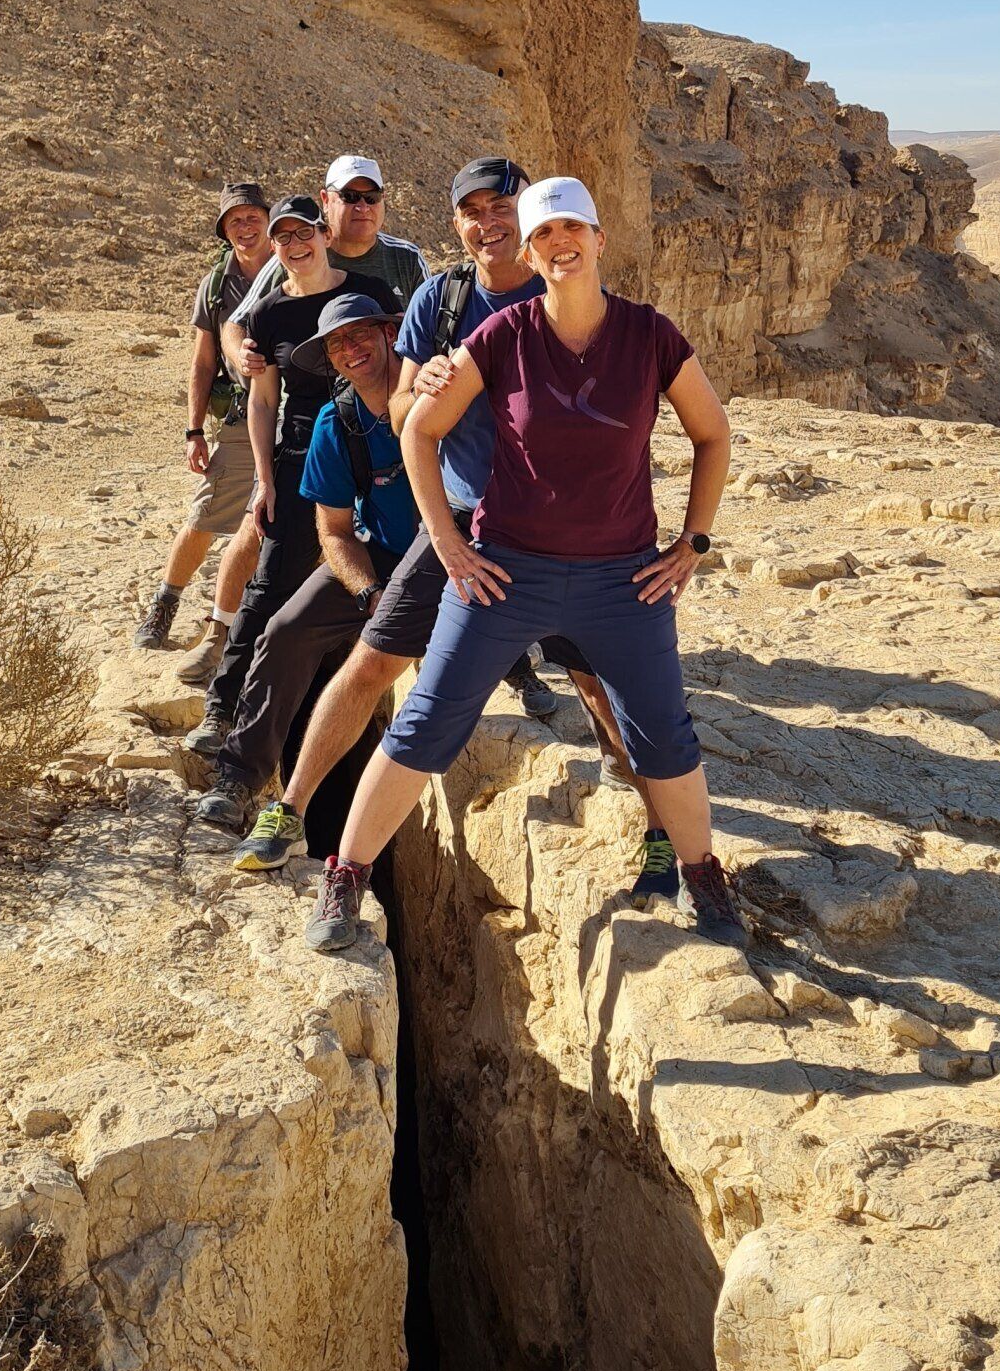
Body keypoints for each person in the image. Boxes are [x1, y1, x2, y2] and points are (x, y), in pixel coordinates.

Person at [303, 175, 742, 952]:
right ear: (532, 256)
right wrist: (447, 541)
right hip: (505, 572)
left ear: (599, 239)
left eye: (572, 229)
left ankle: (701, 874)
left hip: (620, 581)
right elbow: (418, 430)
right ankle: (347, 878)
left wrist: (692, 543)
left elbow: (713, 434)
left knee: (662, 736)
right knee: (427, 721)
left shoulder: (650, 335)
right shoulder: (503, 335)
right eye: (543, 236)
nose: (558, 244)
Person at [234, 157, 659, 883]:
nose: (488, 224)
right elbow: (403, 413)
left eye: (502, 209)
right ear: (457, 222)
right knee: (372, 660)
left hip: (561, 526)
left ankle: (656, 826)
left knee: (603, 683)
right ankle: (291, 807)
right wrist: (423, 385)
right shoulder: (442, 299)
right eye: (472, 211)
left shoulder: (567, 290)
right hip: (466, 521)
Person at [191, 292, 419, 842]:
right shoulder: (336, 423)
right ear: (329, 360)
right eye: (337, 344)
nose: (351, 349)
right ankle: (239, 779)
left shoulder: (434, 395)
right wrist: (369, 593)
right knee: (286, 629)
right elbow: (334, 532)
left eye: (360, 333)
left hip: (448, 553)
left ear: (390, 334)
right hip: (381, 554)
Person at [184, 198, 394, 757]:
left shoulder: (371, 293)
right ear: (273, 246)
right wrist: (265, 479)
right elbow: (262, 401)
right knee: (271, 583)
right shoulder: (269, 312)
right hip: (304, 453)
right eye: (284, 238)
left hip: (378, 445)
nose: (296, 245)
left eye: (305, 233)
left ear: (325, 234)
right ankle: (222, 709)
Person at [133, 183, 273, 662]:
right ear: (225, 231)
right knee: (206, 514)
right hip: (241, 415)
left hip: (294, 414)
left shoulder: (293, 263)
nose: (245, 227)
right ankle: (165, 604)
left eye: (253, 217)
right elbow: (203, 361)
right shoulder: (216, 284)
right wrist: (194, 430)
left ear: (268, 220)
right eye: (235, 221)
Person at [224, 155, 428, 359]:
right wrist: (244, 359)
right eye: (349, 196)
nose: (363, 207)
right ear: (325, 200)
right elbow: (236, 324)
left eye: (372, 197)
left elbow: (432, 324)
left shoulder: (406, 258)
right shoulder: (296, 258)